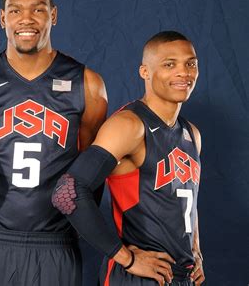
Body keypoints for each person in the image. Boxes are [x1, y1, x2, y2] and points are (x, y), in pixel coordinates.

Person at [0, 0, 108, 286]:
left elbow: (93, 172)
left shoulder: (87, 84)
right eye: (15, 11)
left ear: (53, 15)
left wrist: (76, 222)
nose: (26, 20)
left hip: (55, 243)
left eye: (37, 10)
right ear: (2, 18)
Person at [52, 31, 205, 285]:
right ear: (145, 72)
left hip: (182, 276)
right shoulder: (129, 125)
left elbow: (187, 199)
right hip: (137, 276)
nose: (184, 73)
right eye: (170, 64)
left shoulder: (192, 134)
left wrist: (196, 251)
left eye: (191, 64)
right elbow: (67, 191)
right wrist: (126, 258)